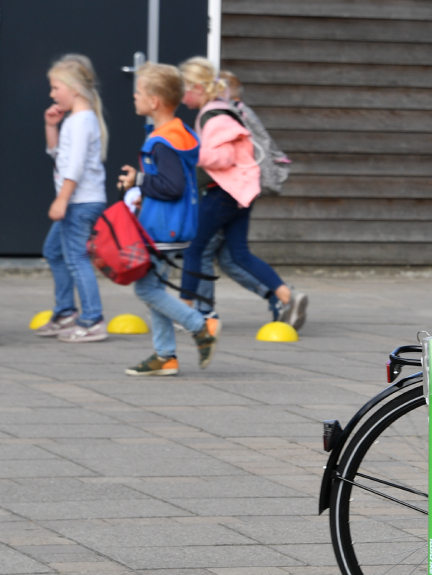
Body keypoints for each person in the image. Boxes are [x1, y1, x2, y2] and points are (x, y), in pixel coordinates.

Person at [178, 57, 308, 329]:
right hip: (239, 192)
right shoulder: (220, 111)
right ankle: (287, 296)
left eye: (184, 89)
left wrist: (192, 154)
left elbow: (224, 157)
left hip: (222, 192)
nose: (181, 95)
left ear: (198, 88)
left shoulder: (214, 116)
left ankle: (186, 310)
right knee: (238, 253)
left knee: (194, 248)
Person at [117, 63, 219, 376]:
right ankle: (165, 356)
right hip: (177, 225)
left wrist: (138, 180)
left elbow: (171, 186)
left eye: (139, 92)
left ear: (154, 102)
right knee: (154, 286)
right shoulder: (180, 133)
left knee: (146, 290)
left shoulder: (162, 142)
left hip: (160, 227)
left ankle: (199, 326)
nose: (134, 96)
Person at [37, 54, 108, 342]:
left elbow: (75, 166)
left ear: (75, 89)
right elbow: (60, 158)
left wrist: (61, 199)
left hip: (79, 201)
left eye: (56, 88)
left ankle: (92, 320)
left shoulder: (81, 122)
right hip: (77, 200)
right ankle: (66, 313)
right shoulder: (75, 120)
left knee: (76, 257)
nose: (52, 94)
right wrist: (51, 127)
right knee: (54, 251)